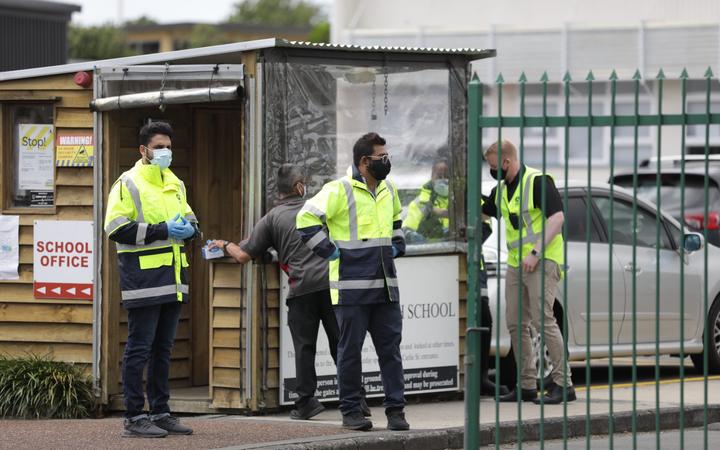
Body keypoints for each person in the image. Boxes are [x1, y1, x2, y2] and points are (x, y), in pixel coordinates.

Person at [206, 164, 370, 421]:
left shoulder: (272, 218)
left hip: (302, 289)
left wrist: (224, 244)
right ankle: (356, 399)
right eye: (303, 181)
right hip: (333, 286)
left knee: (305, 348)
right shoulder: (318, 208)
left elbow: (242, 255)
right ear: (297, 187)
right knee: (342, 343)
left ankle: (306, 402)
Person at [296, 132, 409, 432]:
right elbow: (305, 220)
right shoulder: (338, 190)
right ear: (363, 162)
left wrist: (398, 244)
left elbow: (397, 219)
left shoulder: (389, 189)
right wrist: (330, 252)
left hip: (386, 287)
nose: (386, 161)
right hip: (351, 288)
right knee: (349, 352)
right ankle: (351, 412)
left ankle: (396, 412)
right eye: (380, 157)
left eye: (386, 156)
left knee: (391, 351)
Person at [104, 121, 198, 438]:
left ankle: (161, 411)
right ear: (143, 150)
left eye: (168, 146)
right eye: (159, 147)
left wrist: (192, 230)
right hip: (143, 280)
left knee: (163, 350)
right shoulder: (127, 183)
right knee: (139, 349)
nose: (165, 152)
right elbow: (115, 228)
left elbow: (191, 221)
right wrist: (163, 230)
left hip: (173, 279)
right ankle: (134, 416)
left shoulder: (175, 182)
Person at [481, 139, 574, 404]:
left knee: (543, 320)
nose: (492, 169)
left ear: (507, 162)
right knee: (515, 322)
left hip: (542, 260)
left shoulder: (537, 182)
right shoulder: (501, 190)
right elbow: (485, 213)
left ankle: (563, 384)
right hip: (515, 263)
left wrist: (535, 253)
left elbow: (558, 218)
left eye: (494, 165)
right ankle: (526, 385)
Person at [403, 159, 451, 242]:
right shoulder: (418, 204)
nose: (443, 180)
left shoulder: (467, 197)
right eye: (439, 176)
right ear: (432, 177)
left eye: (447, 176)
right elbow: (408, 233)